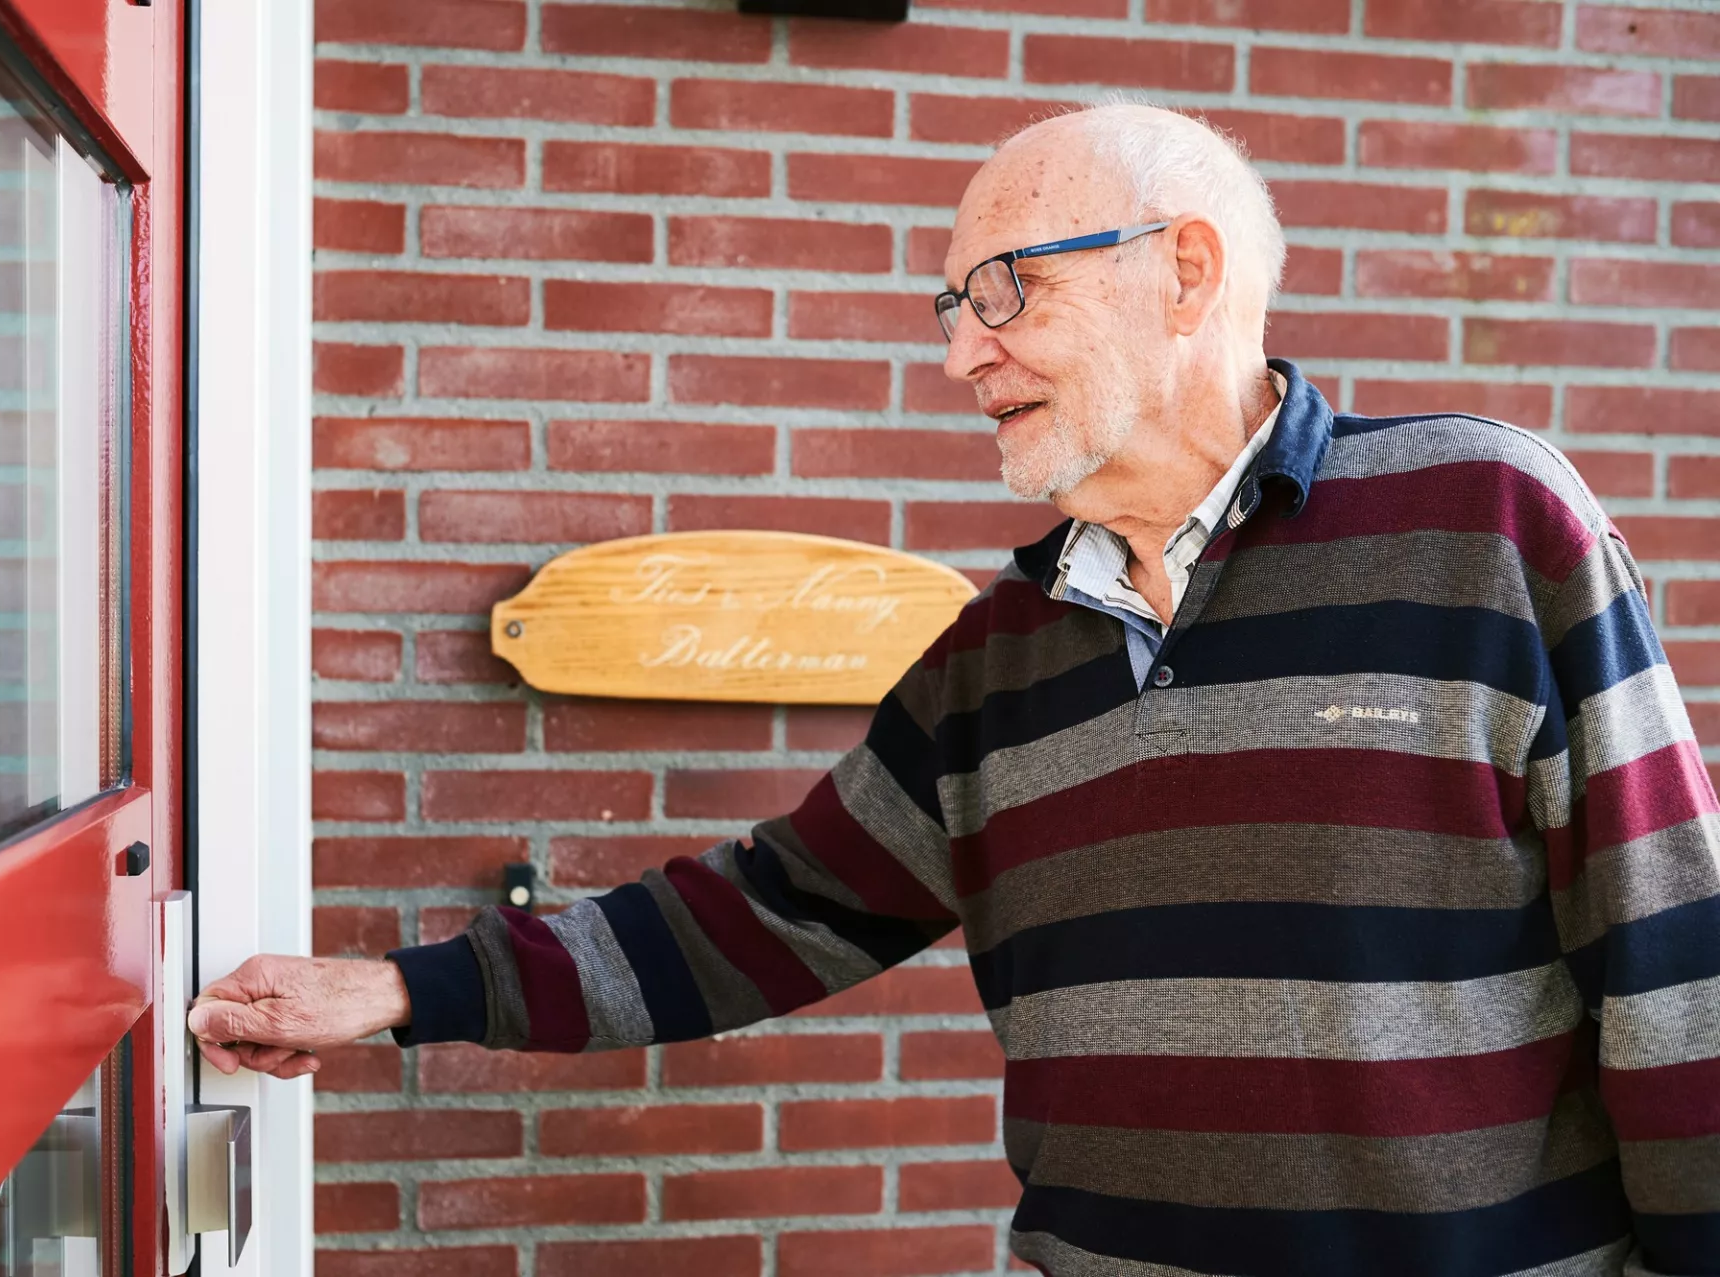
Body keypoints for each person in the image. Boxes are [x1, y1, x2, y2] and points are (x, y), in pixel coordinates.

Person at [190, 103, 1720, 1275]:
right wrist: (394, 993)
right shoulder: (998, 655)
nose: (961, 354)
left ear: (1186, 273)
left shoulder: (1489, 523)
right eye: (949, 310)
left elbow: (1675, 962)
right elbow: (762, 917)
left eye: (1002, 290)